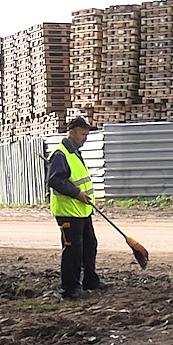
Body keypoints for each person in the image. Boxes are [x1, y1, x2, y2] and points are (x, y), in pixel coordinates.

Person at [47, 117, 108, 299]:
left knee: (90, 245)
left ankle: (90, 281)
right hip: (68, 212)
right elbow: (55, 180)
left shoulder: (74, 152)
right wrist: (76, 194)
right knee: (73, 251)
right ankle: (70, 289)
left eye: (87, 134)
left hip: (82, 210)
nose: (85, 138)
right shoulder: (61, 154)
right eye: (83, 134)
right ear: (71, 133)